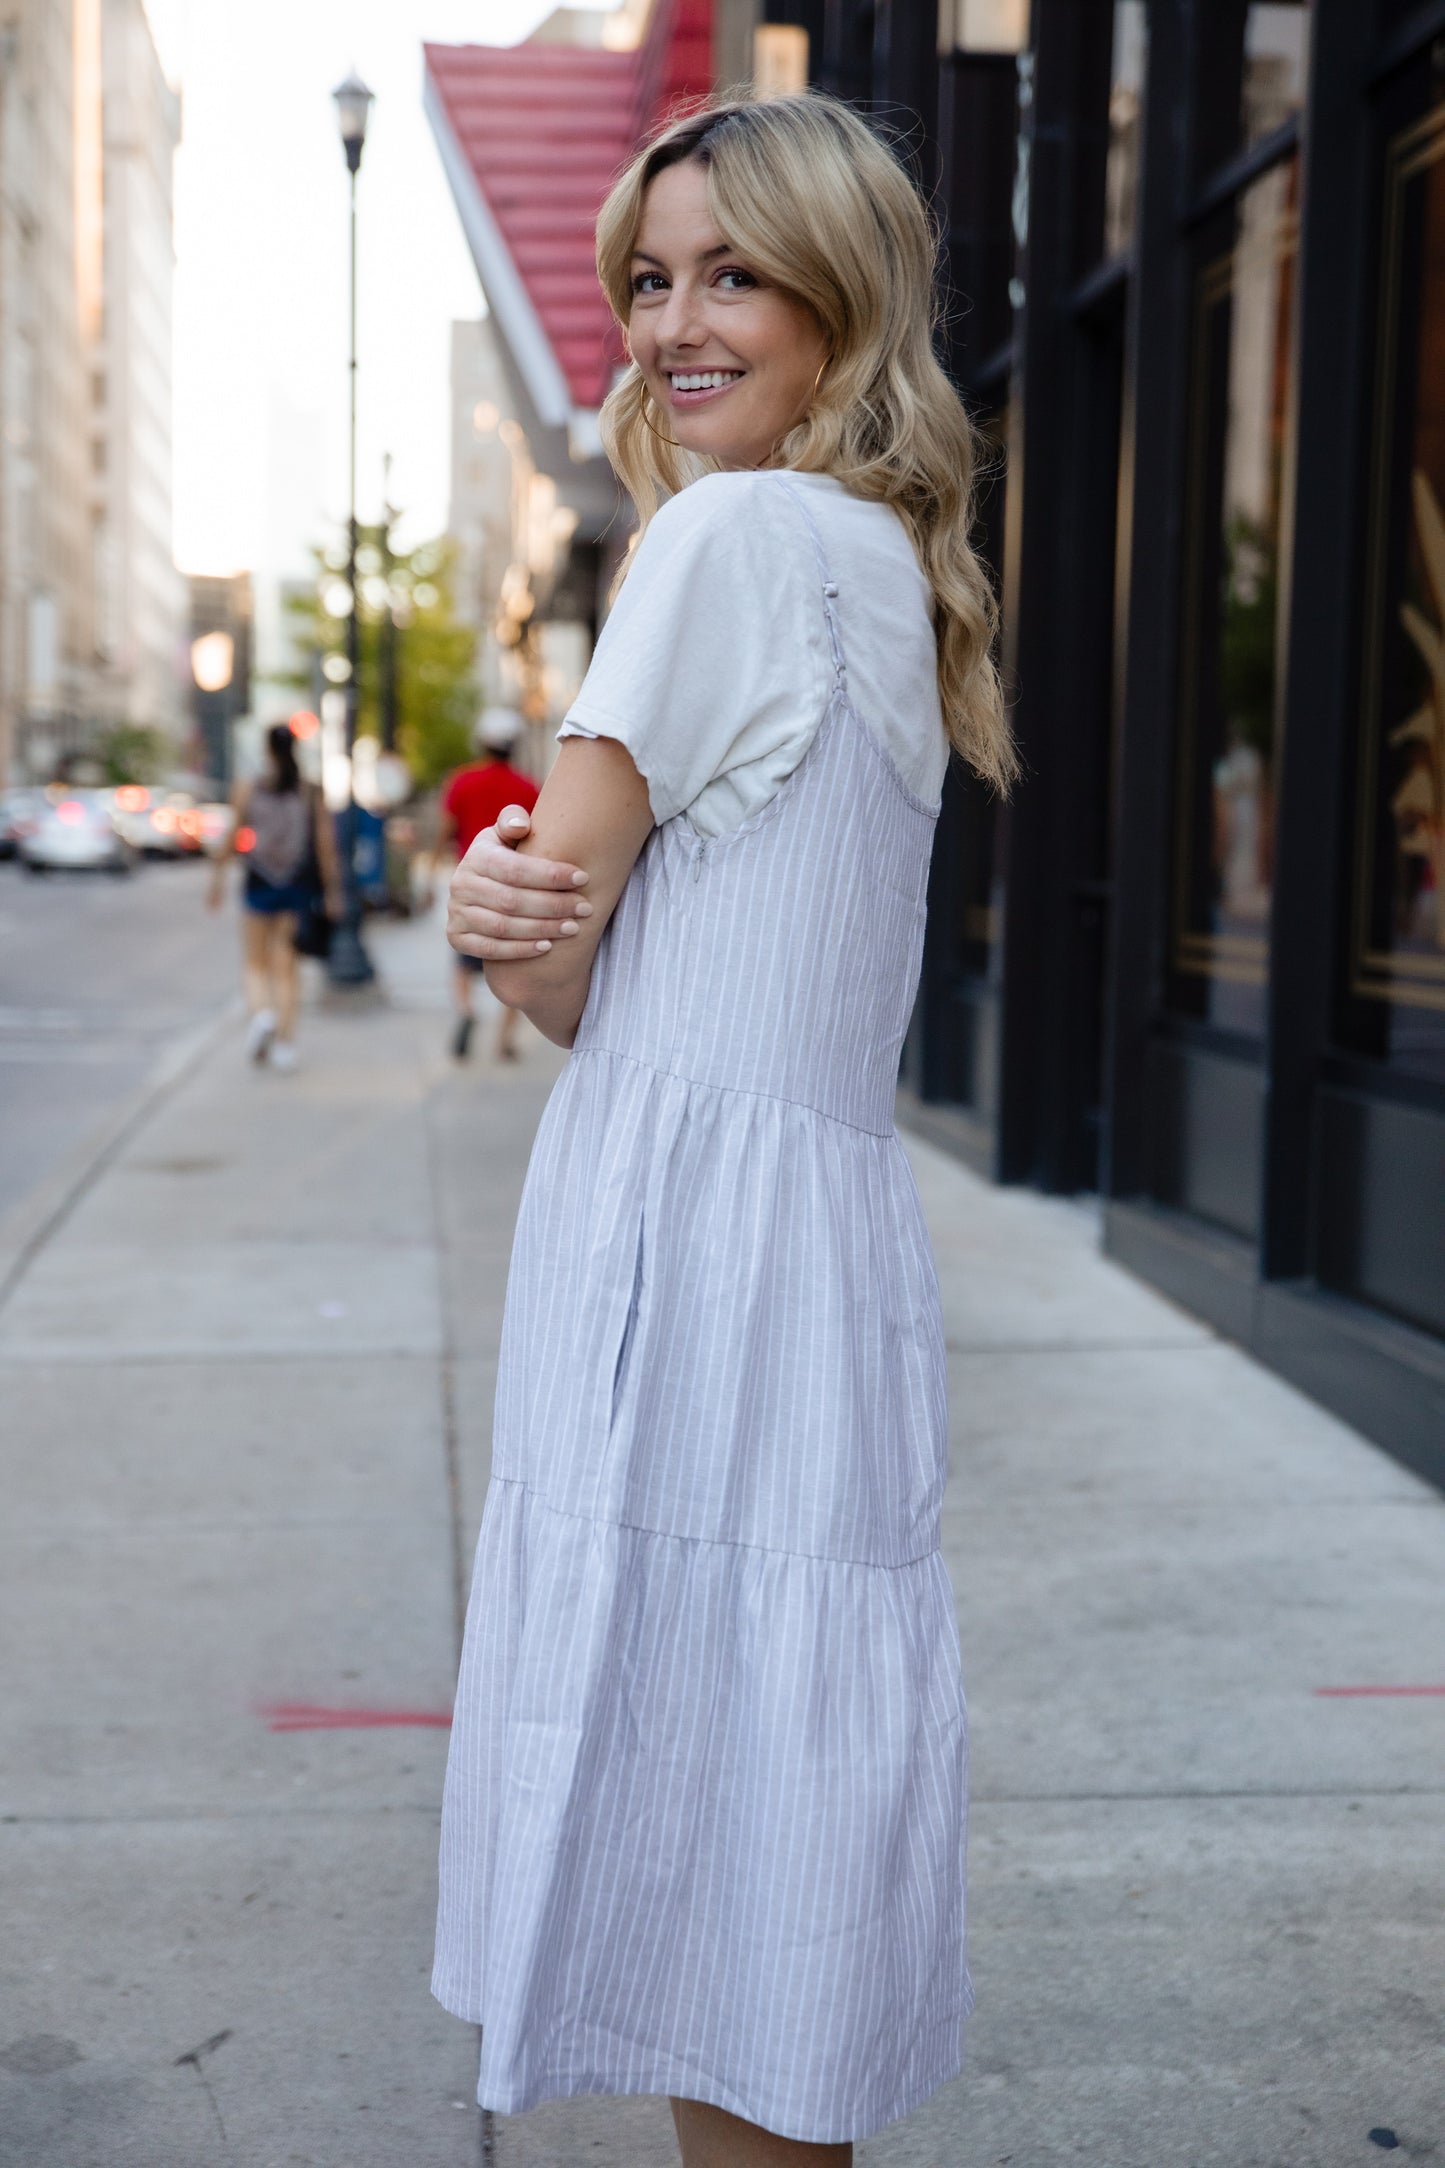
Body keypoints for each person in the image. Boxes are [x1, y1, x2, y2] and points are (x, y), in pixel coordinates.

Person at [439, 92, 1016, 2168]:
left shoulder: (728, 536)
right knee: (762, 1849)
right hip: (807, 1252)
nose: (676, 323)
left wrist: (481, 895)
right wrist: (527, 919)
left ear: (836, 297)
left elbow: (552, 902)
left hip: (683, 1244)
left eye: (731, 274)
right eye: (649, 278)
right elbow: (643, 964)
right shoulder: (881, 568)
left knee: (698, 1815)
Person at [207, 721, 341, 1072]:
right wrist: (333, 891)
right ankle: (285, 1043)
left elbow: (231, 839)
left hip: (259, 881)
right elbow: (326, 846)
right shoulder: (311, 791)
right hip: (297, 884)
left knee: (255, 962)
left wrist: (217, 881)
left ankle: (262, 1015)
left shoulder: (248, 789)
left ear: (267, 750)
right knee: (287, 968)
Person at [438, 711, 539, 1061]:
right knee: (513, 967)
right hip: (512, 889)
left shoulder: (462, 781)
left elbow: (446, 829)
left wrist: (433, 867)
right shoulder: (529, 787)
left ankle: (467, 1011)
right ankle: (504, 1040)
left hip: (473, 884)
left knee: (462, 963)